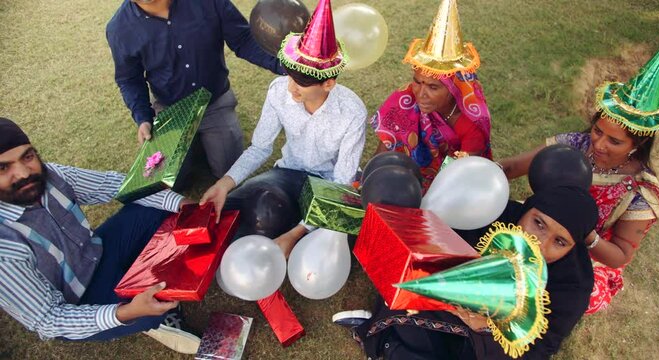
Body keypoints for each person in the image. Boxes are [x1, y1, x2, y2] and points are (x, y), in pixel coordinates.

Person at [498, 37, 659, 313]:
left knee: (566, 294)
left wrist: (583, 234)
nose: (598, 144)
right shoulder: (571, 146)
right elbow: (511, 168)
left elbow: (618, 257)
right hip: (541, 225)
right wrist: (477, 173)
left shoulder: (642, 192)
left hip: (586, 251)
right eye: (597, 131)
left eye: (615, 142)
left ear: (637, 144)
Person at [0, 118, 199, 353]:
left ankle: (140, 282)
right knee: (151, 310)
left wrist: (183, 204)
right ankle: (150, 318)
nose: (23, 173)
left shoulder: (51, 175)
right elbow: (49, 319)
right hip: (79, 299)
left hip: (98, 252)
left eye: (27, 157)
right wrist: (128, 312)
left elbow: (113, 185)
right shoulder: (5, 247)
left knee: (158, 207)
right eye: (3, 168)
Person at [348, 186, 598, 359]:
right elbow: (432, 256)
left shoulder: (572, 285)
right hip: (442, 308)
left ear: (572, 248)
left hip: (487, 345)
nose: (539, 244)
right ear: (526, 210)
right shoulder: (494, 216)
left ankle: (393, 348)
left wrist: (487, 328)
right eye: (538, 223)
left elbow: (540, 349)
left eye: (560, 242)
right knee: (412, 296)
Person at [200, 0, 367, 257]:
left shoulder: (352, 112)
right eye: (289, 75)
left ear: (329, 83)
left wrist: (295, 234)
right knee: (247, 209)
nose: (291, 87)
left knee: (329, 233)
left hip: (328, 184)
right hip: (287, 173)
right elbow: (260, 148)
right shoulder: (279, 91)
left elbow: (342, 184)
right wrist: (224, 184)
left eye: (301, 81)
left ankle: (297, 233)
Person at [106, 0, 285, 181]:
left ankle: (204, 142)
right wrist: (143, 117)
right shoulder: (120, 28)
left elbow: (243, 40)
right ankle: (196, 145)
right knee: (171, 180)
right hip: (171, 109)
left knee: (229, 172)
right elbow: (129, 79)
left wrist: (288, 67)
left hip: (214, 100)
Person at [370, 0, 492, 191]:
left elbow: (455, 181)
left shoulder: (471, 124)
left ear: (454, 90)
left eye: (433, 87)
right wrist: (370, 183)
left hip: (451, 188)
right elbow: (381, 156)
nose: (421, 94)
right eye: (417, 82)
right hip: (410, 178)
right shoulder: (405, 100)